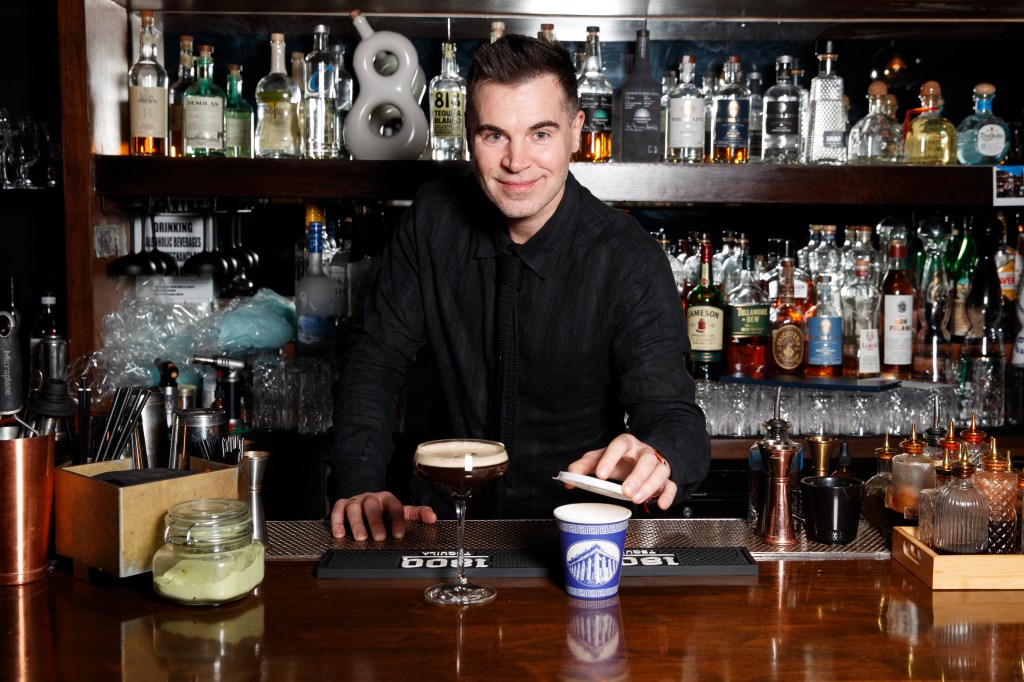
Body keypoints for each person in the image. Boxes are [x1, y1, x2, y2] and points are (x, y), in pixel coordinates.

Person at [330, 34, 710, 541]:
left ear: (576, 131)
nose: (516, 161)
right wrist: (361, 485)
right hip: (438, 525)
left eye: (540, 133)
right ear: (469, 136)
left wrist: (657, 455)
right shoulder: (432, 221)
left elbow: (675, 418)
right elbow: (374, 363)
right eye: (494, 135)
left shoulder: (627, 258)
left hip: (570, 533)